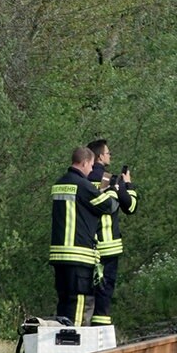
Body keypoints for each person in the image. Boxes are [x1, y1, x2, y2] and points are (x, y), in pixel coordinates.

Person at [50, 147, 119, 325]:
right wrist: (112, 191)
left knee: (64, 304)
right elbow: (109, 206)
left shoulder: (60, 183)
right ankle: (75, 347)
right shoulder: (82, 185)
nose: (91, 171)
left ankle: (61, 345)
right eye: (90, 166)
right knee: (79, 304)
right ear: (85, 162)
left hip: (59, 256)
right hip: (79, 255)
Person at [86, 139, 139, 327]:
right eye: (108, 153)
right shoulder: (111, 180)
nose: (110, 156)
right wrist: (128, 185)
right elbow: (131, 207)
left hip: (85, 248)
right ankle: (101, 331)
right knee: (104, 290)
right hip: (108, 248)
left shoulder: (81, 180)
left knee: (86, 291)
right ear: (100, 156)